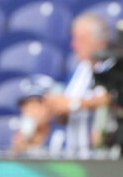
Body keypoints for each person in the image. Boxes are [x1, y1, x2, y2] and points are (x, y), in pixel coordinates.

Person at [44, 13, 112, 158]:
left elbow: (110, 97)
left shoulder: (114, 67)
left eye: (80, 39)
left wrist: (73, 103)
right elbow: (66, 113)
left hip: (103, 158)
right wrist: (58, 107)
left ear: (98, 41)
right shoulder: (82, 69)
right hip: (74, 155)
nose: (73, 45)